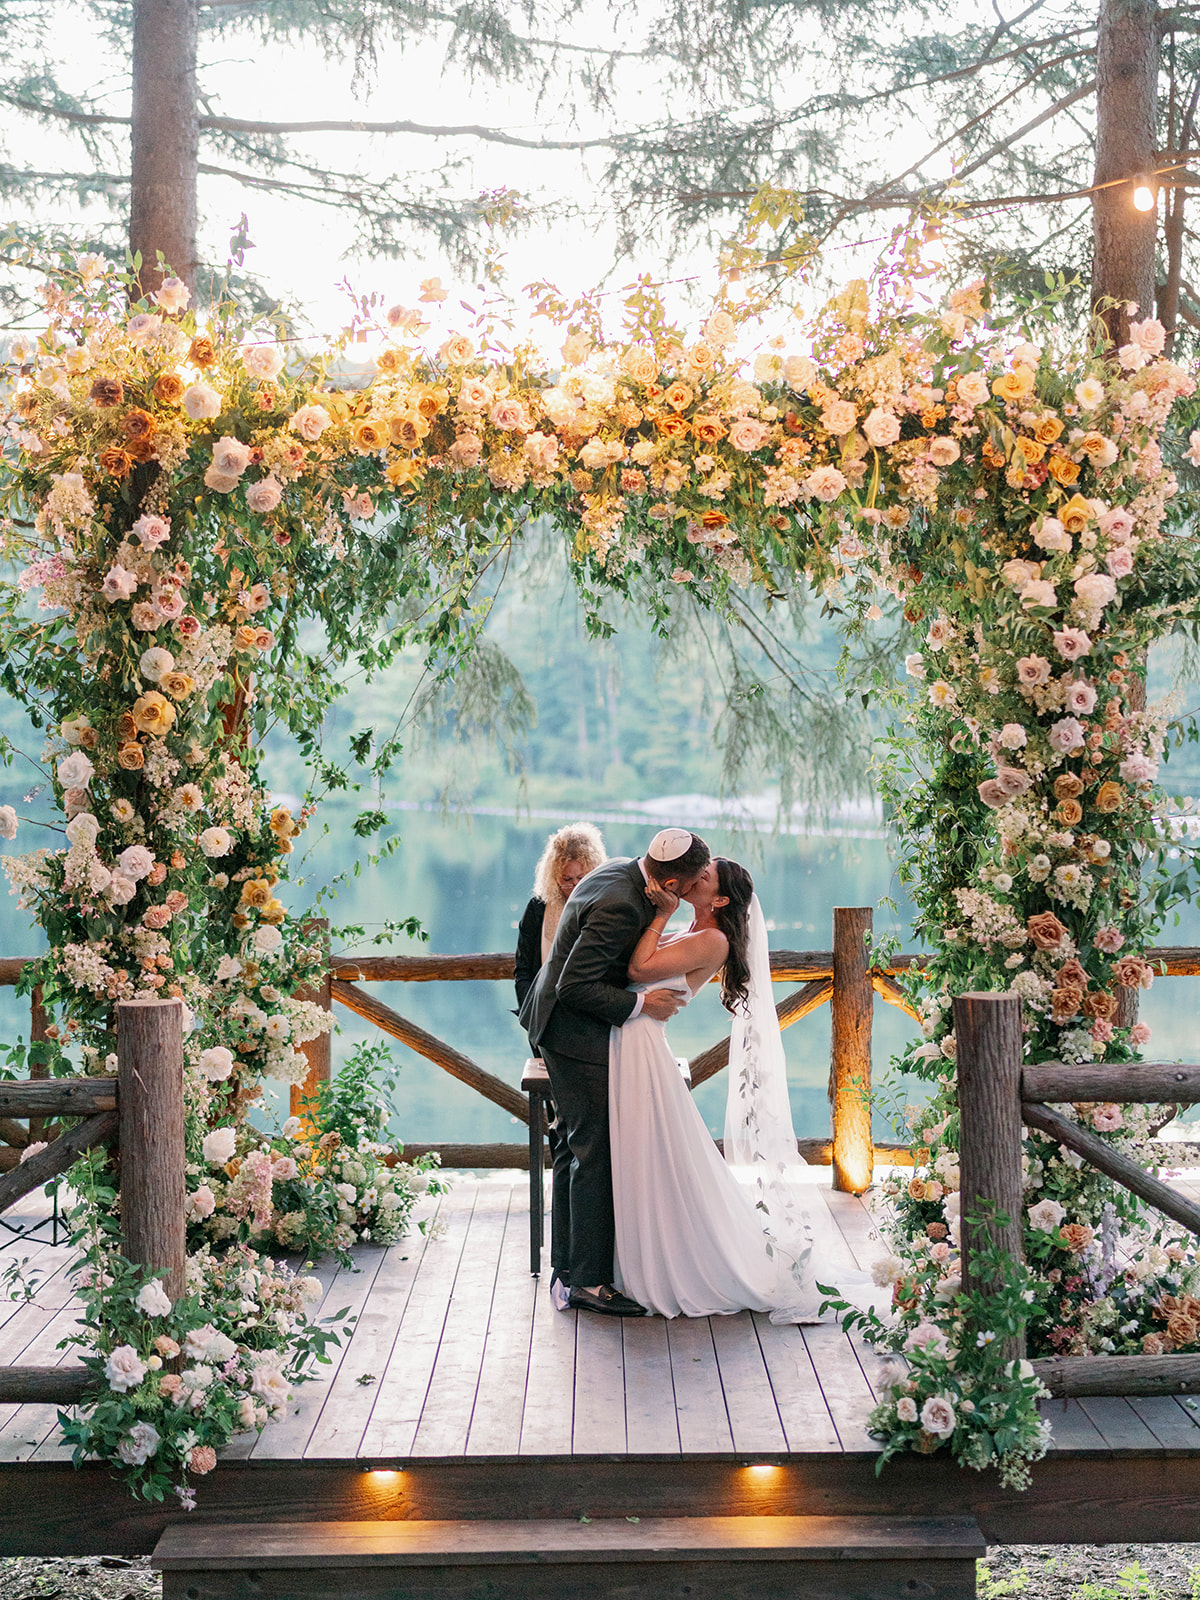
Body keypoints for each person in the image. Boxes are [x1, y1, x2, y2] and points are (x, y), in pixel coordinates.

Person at [609, 857, 842, 1321]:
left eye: (706, 876)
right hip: (631, 1036)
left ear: (718, 899)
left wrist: (660, 913)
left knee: (649, 1154)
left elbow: (637, 969)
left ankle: (671, 1265)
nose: (695, 877)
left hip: (640, 1044)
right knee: (650, 1156)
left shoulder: (713, 940)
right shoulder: (696, 930)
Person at [519, 828, 710, 1316]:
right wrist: (643, 1002)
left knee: (572, 1147)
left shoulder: (620, 868)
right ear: (669, 880)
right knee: (593, 1151)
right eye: (687, 888)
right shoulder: (623, 903)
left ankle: (567, 1268)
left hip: (559, 1025)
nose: (688, 896)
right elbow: (575, 985)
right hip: (572, 1034)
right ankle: (587, 1282)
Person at [513, 823, 607, 1304]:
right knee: (565, 1141)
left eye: (580, 876)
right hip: (547, 1029)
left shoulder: (601, 907)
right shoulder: (538, 910)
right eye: (565, 878)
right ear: (553, 876)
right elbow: (524, 970)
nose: (572, 885)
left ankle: (576, 1261)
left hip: (592, 1032)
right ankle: (568, 1263)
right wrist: (535, 1028)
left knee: (577, 1142)